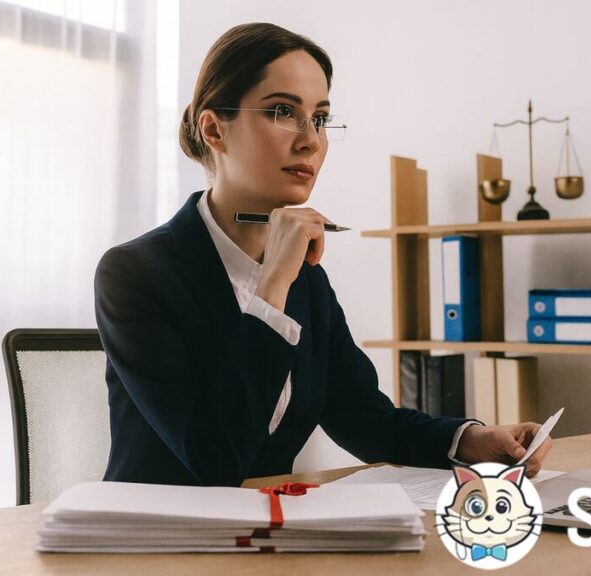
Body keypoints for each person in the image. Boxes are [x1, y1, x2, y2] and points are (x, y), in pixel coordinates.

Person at [94, 22, 552, 487]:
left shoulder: (308, 279)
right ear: (214, 128)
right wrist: (272, 286)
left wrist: (472, 440)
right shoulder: (135, 273)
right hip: (158, 541)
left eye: (320, 118)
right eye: (281, 110)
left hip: (266, 536)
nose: (310, 140)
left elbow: (367, 422)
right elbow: (214, 457)